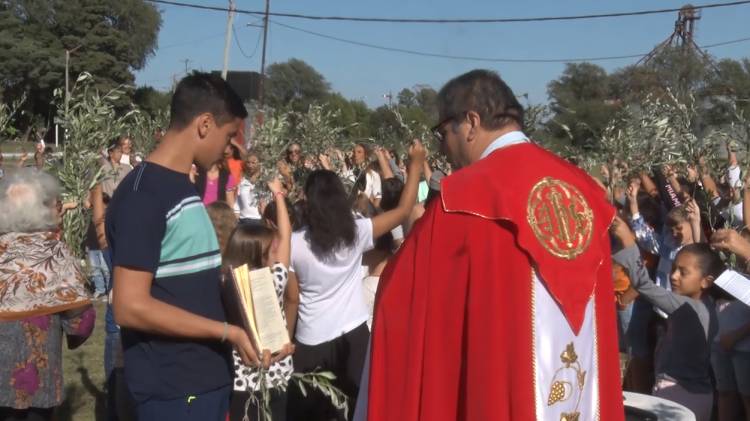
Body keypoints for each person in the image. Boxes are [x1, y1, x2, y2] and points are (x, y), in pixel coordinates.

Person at [358, 70, 624, 421]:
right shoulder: (584, 191)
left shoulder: (462, 197)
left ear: (470, 122)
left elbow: (399, 301)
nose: (442, 147)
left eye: (442, 132)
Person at [106, 72, 261, 421]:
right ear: (205, 124)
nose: (230, 148)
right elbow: (130, 307)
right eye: (228, 136)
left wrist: (252, 323)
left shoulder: (181, 187)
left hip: (204, 379)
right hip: (174, 389)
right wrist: (226, 331)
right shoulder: (143, 195)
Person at [288, 141, 425, 421]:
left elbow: (292, 297)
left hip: (309, 341)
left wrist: (284, 339)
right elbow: (403, 210)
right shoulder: (357, 232)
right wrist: (414, 166)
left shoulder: (293, 243)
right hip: (355, 339)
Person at [0, 168, 96, 421]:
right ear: (38, 210)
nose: (61, 210)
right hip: (38, 381)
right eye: (57, 204)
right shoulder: (55, 254)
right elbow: (81, 322)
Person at [615, 236, 721, 421]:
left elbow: (643, 285)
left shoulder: (685, 306)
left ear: (706, 281)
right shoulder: (709, 305)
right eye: (673, 269)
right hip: (701, 396)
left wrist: (628, 242)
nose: (673, 276)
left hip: (677, 396)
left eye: (683, 272)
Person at [224, 178, 295, 421]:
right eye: (270, 251)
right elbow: (286, 237)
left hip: (244, 382)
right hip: (272, 378)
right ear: (256, 254)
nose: (276, 253)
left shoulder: (225, 285)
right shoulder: (273, 281)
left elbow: (284, 239)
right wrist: (278, 196)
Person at [235, 151, 263, 225]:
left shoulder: (264, 181)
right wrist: (236, 215)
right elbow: (238, 201)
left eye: (253, 163)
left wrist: (257, 176)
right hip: (243, 220)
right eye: (248, 162)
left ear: (260, 164)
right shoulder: (242, 181)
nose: (250, 165)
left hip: (259, 220)